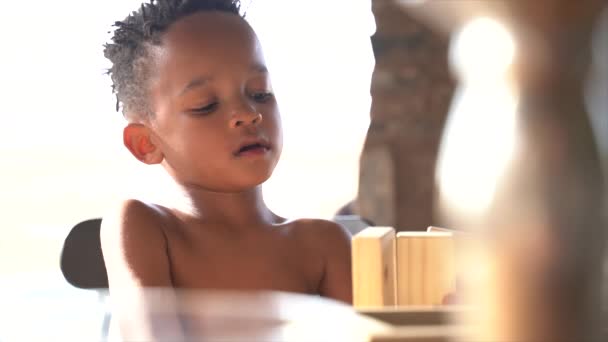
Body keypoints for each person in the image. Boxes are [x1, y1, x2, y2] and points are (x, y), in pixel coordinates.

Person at [99, 1, 352, 336]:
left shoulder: (324, 244)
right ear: (146, 143)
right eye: (206, 105)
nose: (248, 113)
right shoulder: (142, 226)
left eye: (260, 93)